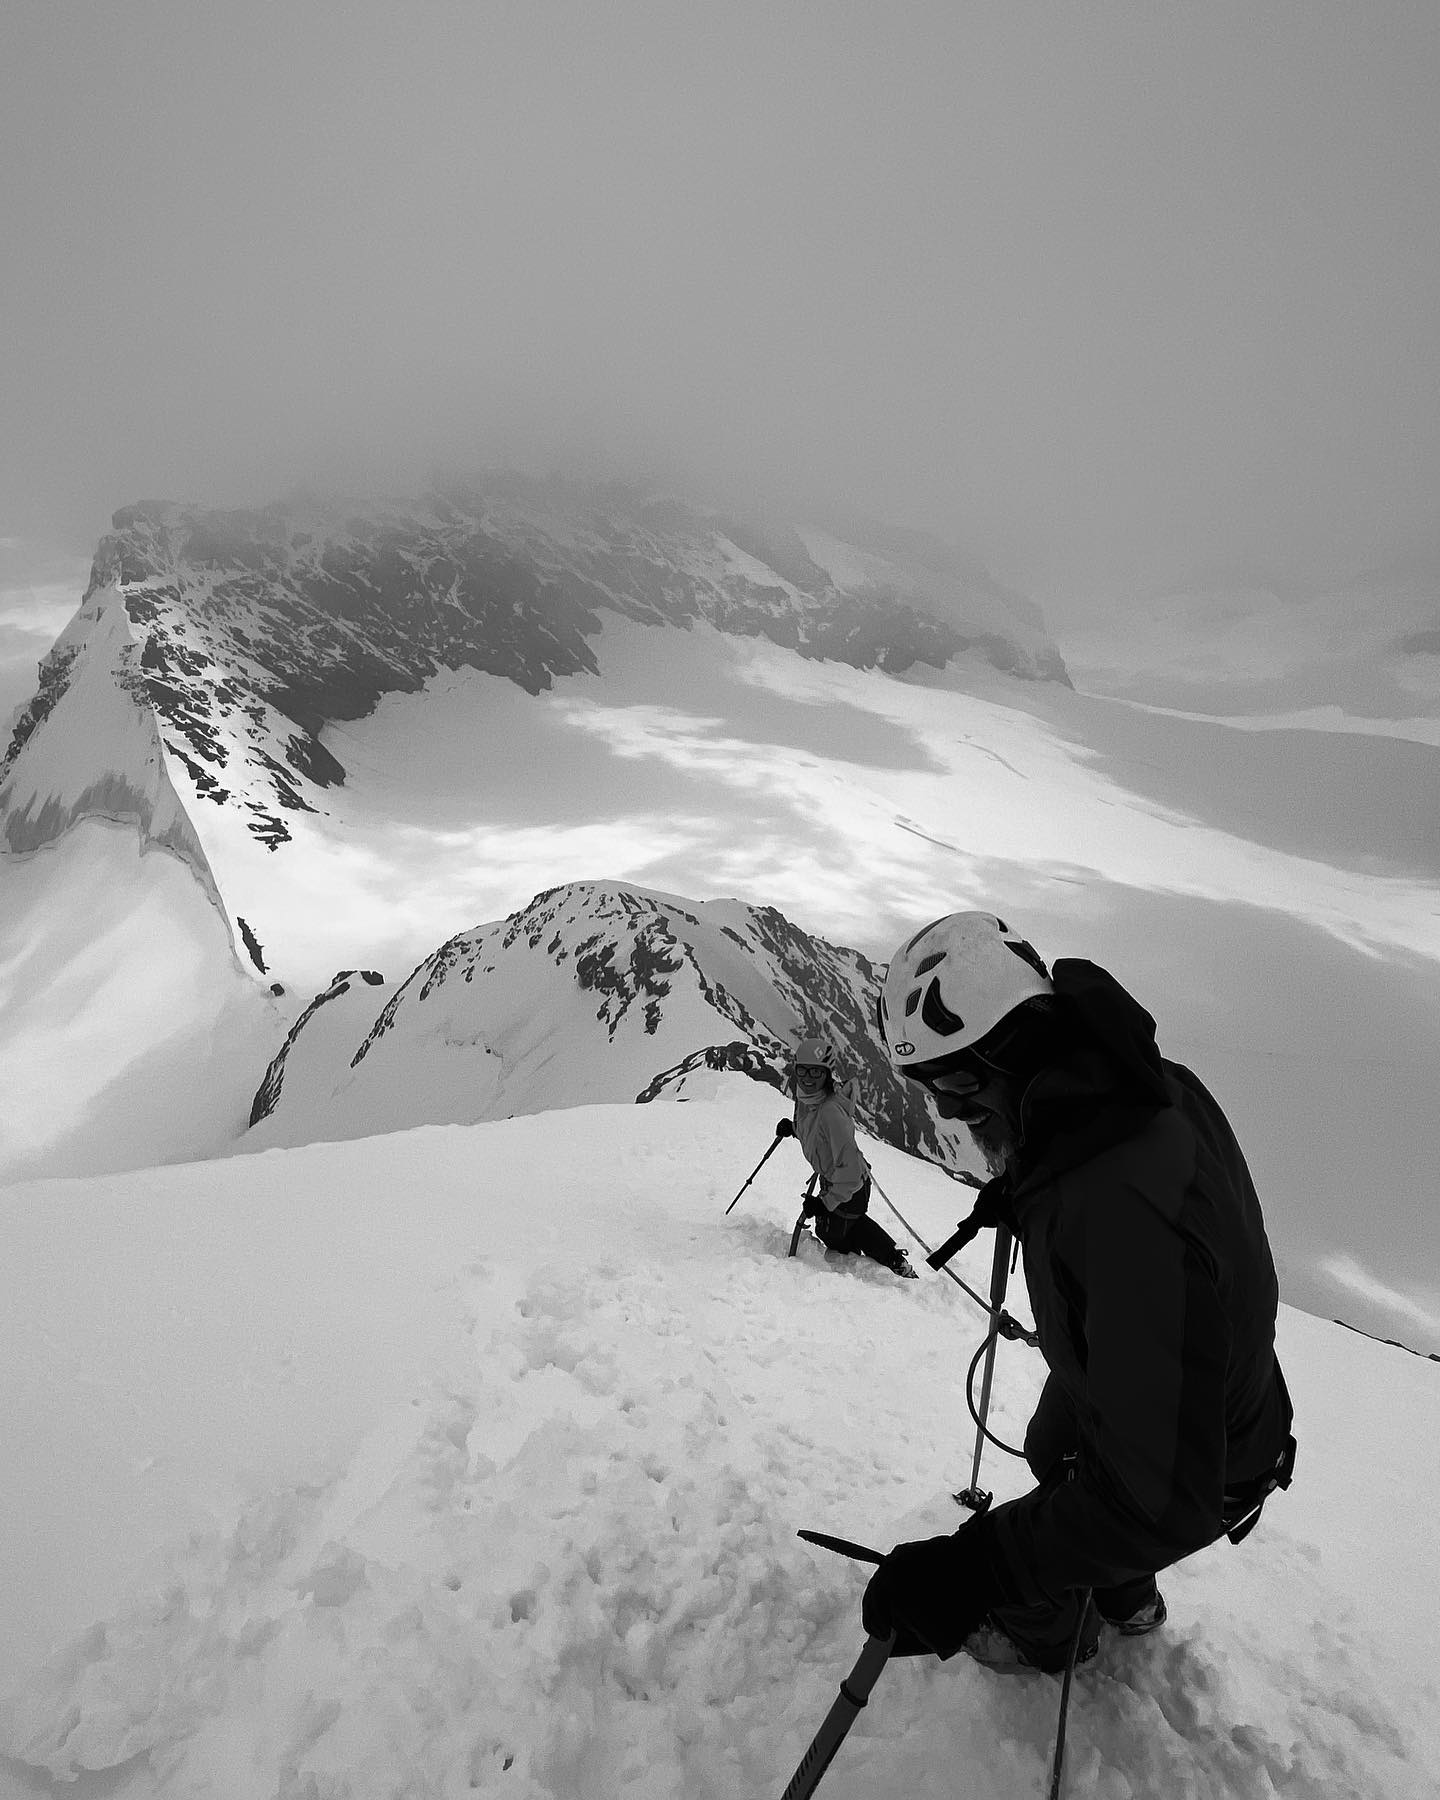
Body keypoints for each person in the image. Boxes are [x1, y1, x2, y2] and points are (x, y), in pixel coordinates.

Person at [861, 912, 1295, 1671]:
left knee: (1085, 1485)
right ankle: (1126, 1596)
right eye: (933, 1092)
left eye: (959, 1085)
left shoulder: (1117, 1216)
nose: (953, 1112)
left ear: (1021, 1047)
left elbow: (1157, 1498)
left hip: (1210, 1454)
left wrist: (975, 1571)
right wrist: (1029, 1182)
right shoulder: (1142, 1091)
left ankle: (1052, 1635)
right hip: (1224, 1394)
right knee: (1051, 1444)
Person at [790, 1035, 918, 1279]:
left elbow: (849, 1174)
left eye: (815, 1073)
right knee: (844, 1226)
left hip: (850, 1182)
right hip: (841, 1178)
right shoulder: (809, 1102)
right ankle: (888, 1258)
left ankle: (883, 1264)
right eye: (803, 1071)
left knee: (835, 1232)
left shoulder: (830, 1112)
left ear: (827, 1074)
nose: (807, 1078)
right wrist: (794, 1129)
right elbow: (818, 1137)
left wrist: (824, 1203)